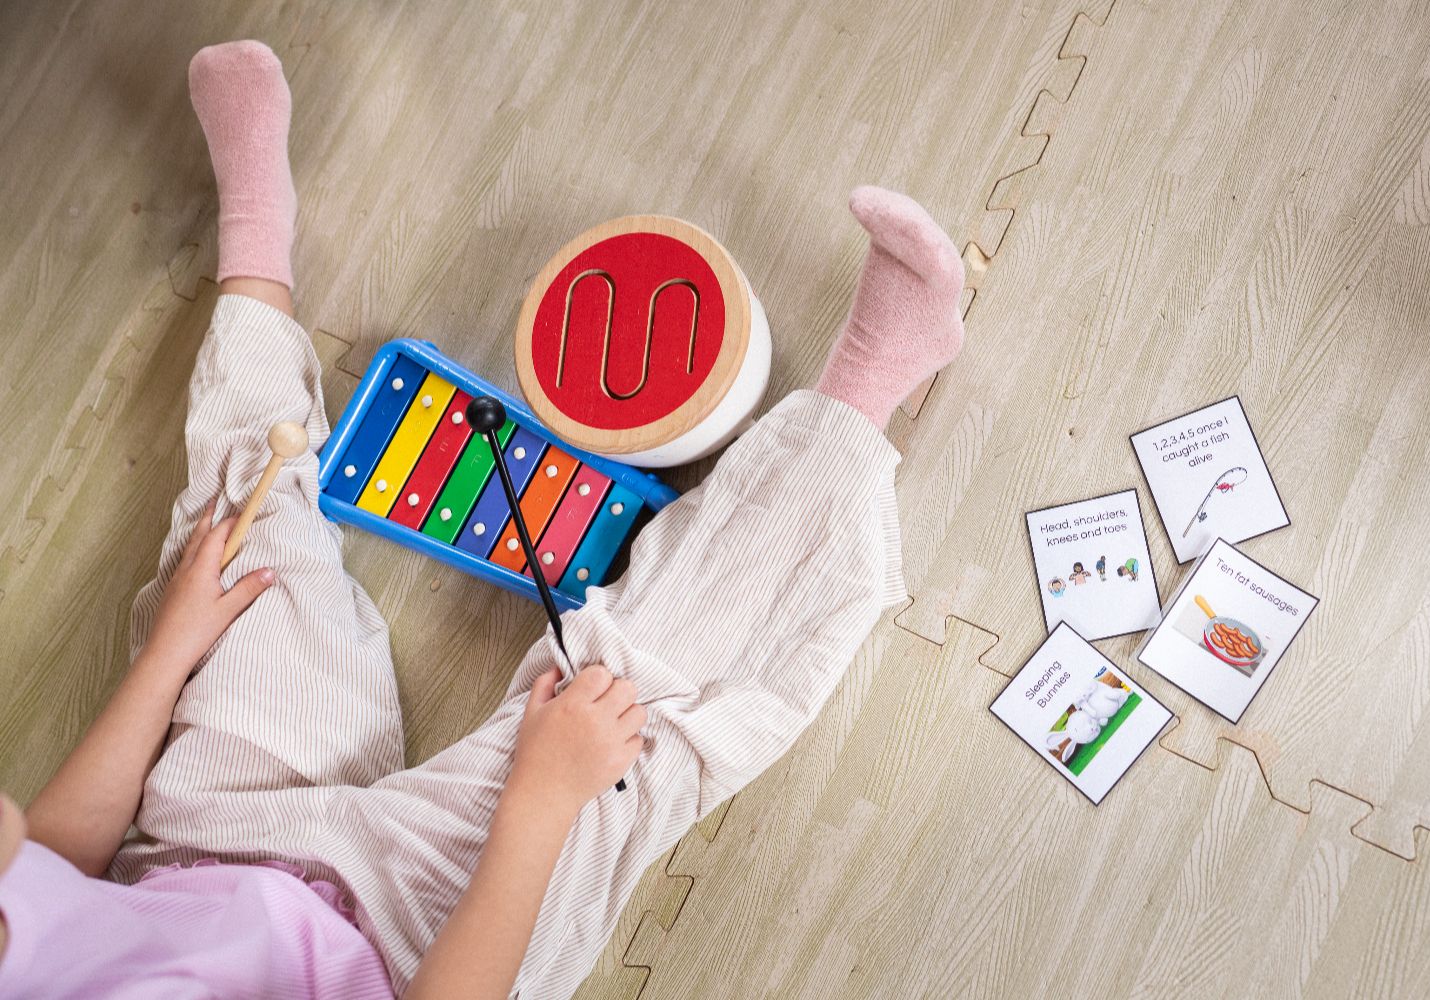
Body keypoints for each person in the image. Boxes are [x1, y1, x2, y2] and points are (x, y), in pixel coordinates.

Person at [0, 39, 964, 1000]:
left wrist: (169, 655)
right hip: (418, 953)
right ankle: (875, 376)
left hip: (206, 850)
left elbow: (50, 863)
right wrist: (540, 800)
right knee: (628, 717)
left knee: (229, 534)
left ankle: (256, 235)